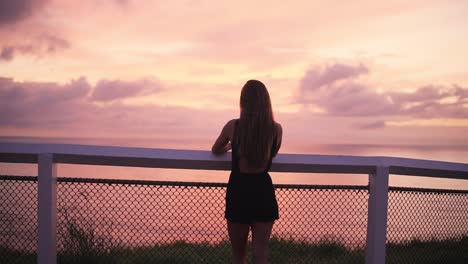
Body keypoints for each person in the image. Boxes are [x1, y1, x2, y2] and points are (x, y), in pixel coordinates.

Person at [211, 80, 282, 264]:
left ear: (243, 101)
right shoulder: (275, 129)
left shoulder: (233, 127)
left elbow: (216, 149)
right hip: (263, 193)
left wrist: (230, 147)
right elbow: (272, 153)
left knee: (238, 256)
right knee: (260, 255)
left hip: (239, 192)